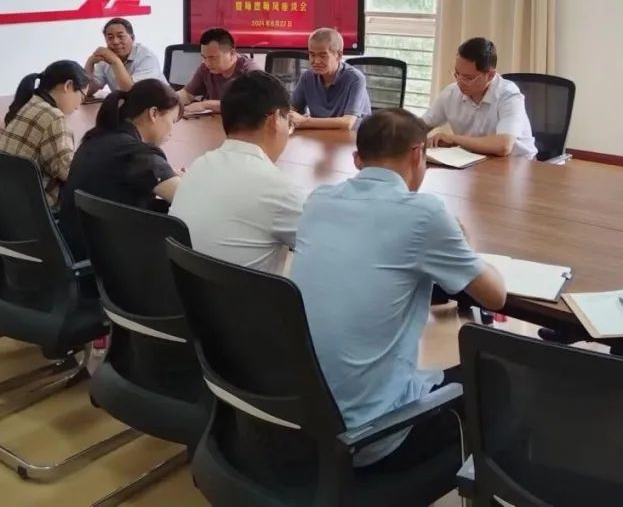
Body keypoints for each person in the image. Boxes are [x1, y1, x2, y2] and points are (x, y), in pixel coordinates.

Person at [291, 109, 507, 469]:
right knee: (494, 377)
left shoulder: (318, 200)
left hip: (303, 424)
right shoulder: (424, 213)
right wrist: (465, 249)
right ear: (418, 154)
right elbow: (495, 296)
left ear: (357, 160)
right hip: (368, 440)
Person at [170, 71, 302, 274]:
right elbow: (327, 245)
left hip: (187, 290)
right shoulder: (279, 189)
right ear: (275, 119)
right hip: (249, 294)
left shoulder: (199, 166)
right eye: (289, 123)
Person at [57, 78, 181, 259]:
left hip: (74, 250)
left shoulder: (96, 138)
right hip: (110, 261)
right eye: (172, 121)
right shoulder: (137, 153)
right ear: (154, 113)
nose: (171, 131)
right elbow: (187, 198)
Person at [0, 60, 88, 208]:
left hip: (3, 202)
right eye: (82, 97)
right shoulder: (54, 117)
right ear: (68, 86)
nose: (78, 107)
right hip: (34, 208)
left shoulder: (26, 103)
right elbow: (69, 174)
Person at [423, 37, 536, 158]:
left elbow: (504, 146)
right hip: (475, 161)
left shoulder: (508, 95)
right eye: (457, 74)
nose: (460, 82)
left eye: (468, 78)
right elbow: (420, 126)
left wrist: (454, 139)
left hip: (518, 163)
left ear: (490, 75)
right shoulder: (451, 93)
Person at [289, 28, 371, 131]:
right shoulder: (307, 77)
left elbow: (347, 123)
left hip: (353, 137)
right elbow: (291, 110)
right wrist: (290, 116)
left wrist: (305, 121)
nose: (316, 61)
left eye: (323, 56)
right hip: (320, 135)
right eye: (312, 55)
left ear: (339, 55)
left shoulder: (355, 79)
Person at [175, 27, 256, 115]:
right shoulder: (205, 68)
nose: (208, 63)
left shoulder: (251, 71)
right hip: (213, 122)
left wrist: (206, 105)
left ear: (232, 53)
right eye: (204, 57)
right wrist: (167, 102)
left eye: (212, 57)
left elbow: (250, 104)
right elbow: (187, 94)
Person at [84, 17, 163, 97]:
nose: (115, 42)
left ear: (132, 38)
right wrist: (90, 62)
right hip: (127, 103)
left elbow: (132, 92)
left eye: (120, 36)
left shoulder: (147, 57)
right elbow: (86, 91)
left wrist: (115, 61)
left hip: (158, 102)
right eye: (110, 38)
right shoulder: (106, 58)